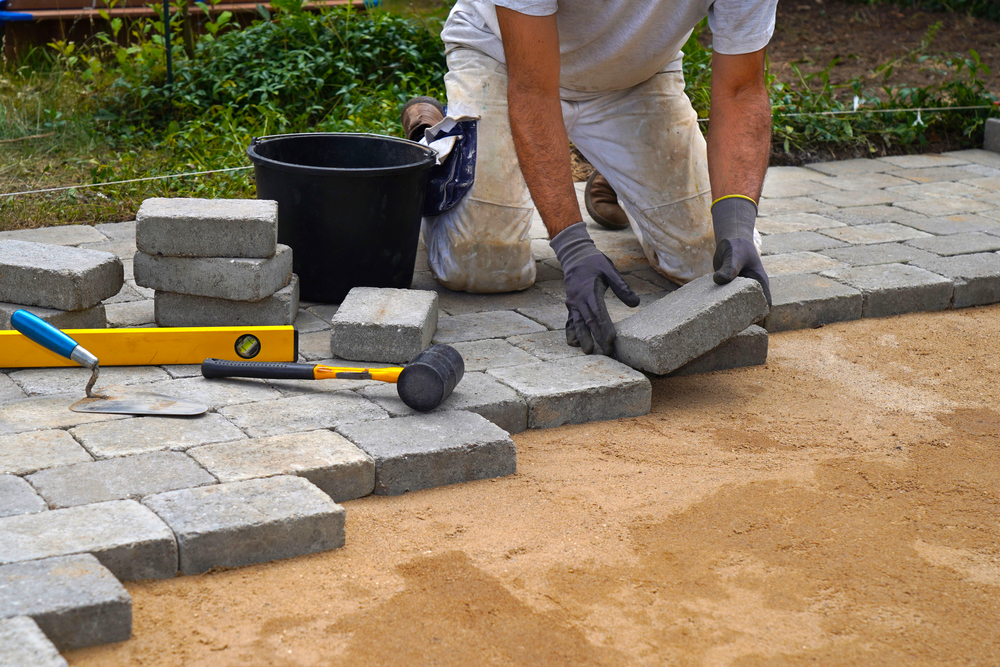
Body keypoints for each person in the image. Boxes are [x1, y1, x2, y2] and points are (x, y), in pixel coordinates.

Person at [402, 0, 774, 356]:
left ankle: (619, 173)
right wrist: (573, 248)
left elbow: (741, 90)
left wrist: (737, 224)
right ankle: (437, 140)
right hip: (503, 62)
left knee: (711, 261)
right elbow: (533, 89)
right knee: (481, 263)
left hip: (635, 78)